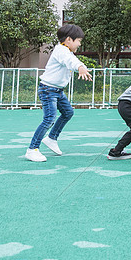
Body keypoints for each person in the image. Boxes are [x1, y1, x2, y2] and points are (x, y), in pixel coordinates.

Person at [25, 24, 93, 162]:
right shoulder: (61, 50)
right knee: (49, 118)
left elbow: (73, 61)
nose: (79, 44)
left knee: (68, 112)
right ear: (69, 39)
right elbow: (71, 62)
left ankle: (51, 138)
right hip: (48, 89)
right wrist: (80, 67)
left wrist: (81, 67)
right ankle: (32, 149)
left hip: (57, 90)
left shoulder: (66, 51)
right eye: (78, 40)